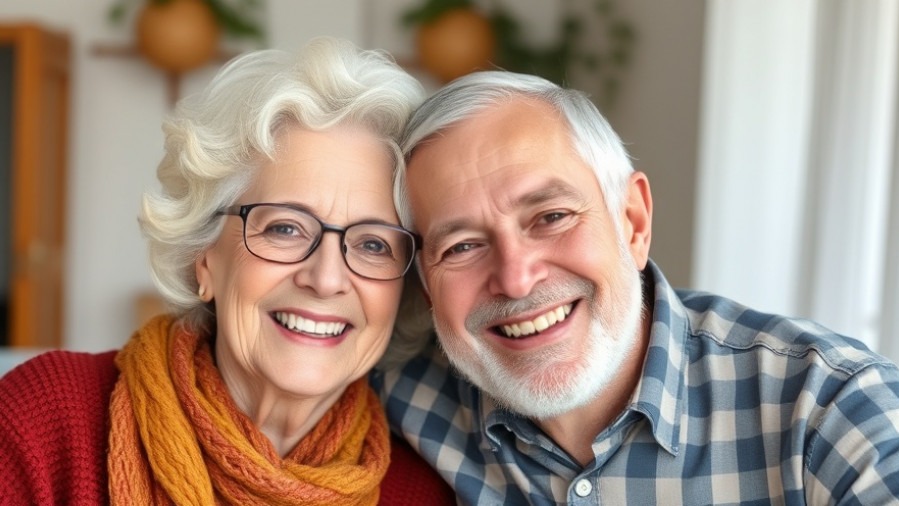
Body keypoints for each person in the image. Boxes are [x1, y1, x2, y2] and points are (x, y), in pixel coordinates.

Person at [373, 69, 899, 505]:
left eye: (552, 216)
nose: (516, 278)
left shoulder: (831, 410)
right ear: (426, 284)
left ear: (633, 222)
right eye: (461, 246)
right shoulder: (394, 397)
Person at [0, 37, 454, 505]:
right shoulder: (45, 424)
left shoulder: (421, 494)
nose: (326, 279)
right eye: (284, 228)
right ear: (205, 254)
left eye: (373, 244)